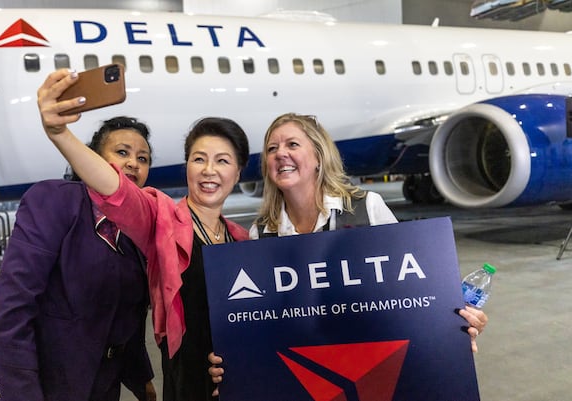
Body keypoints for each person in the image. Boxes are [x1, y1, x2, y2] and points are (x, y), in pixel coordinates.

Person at [207, 112, 489, 390]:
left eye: (292, 144)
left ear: (319, 157)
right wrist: (235, 361)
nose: (281, 153)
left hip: (373, 369)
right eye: (272, 148)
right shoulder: (262, 232)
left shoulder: (368, 209)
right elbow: (259, 323)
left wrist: (454, 323)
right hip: (305, 377)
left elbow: (411, 296)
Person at [35, 69, 251, 401]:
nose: (209, 170)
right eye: (199, 159)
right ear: (187, 167)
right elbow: (116, 189)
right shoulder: (160, 217)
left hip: (238, 375)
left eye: (222, 161)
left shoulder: (242, 240)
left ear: (237, 171)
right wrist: (59, 133)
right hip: (187, 376)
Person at [0, 116, 157, 401]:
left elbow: (128, 320)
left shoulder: (137, 233)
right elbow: (12, 307)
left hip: (103, 386)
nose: (134, 163)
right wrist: (21, 392)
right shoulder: (54, 201)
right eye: (122, 152)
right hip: (45, 384)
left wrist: (142, 379)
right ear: (92, 158)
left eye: (143, 158)